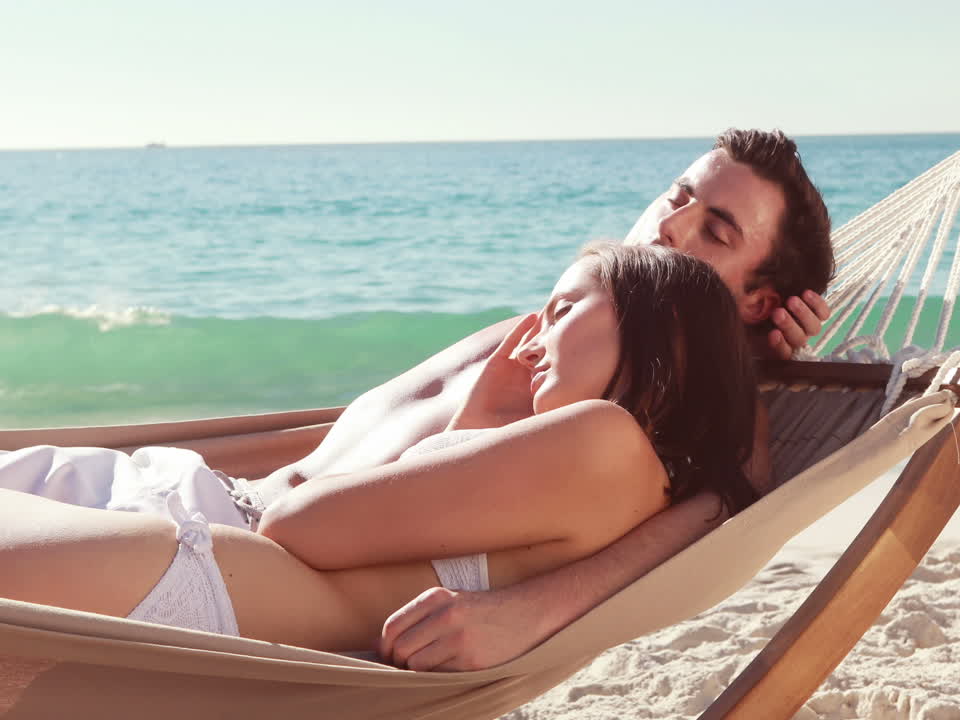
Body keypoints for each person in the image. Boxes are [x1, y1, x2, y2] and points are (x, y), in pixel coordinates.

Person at [3, 127, 835, 668]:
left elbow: (733, 503)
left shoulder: (645, 429)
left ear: (760, 303)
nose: (670, 225)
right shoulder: (543, 336)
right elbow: (324, 442)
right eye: (679, 195)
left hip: (210, 555)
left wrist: (527, 613)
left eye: (715, 231)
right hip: (171, 494)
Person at [0, 244, 762, 651]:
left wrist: (480, 411)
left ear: (660, 334)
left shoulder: (605, 440)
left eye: (563, 310)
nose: (530, 338)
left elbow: (298, 524)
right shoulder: (635, 488)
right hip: (174, 525)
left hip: (191, 569)